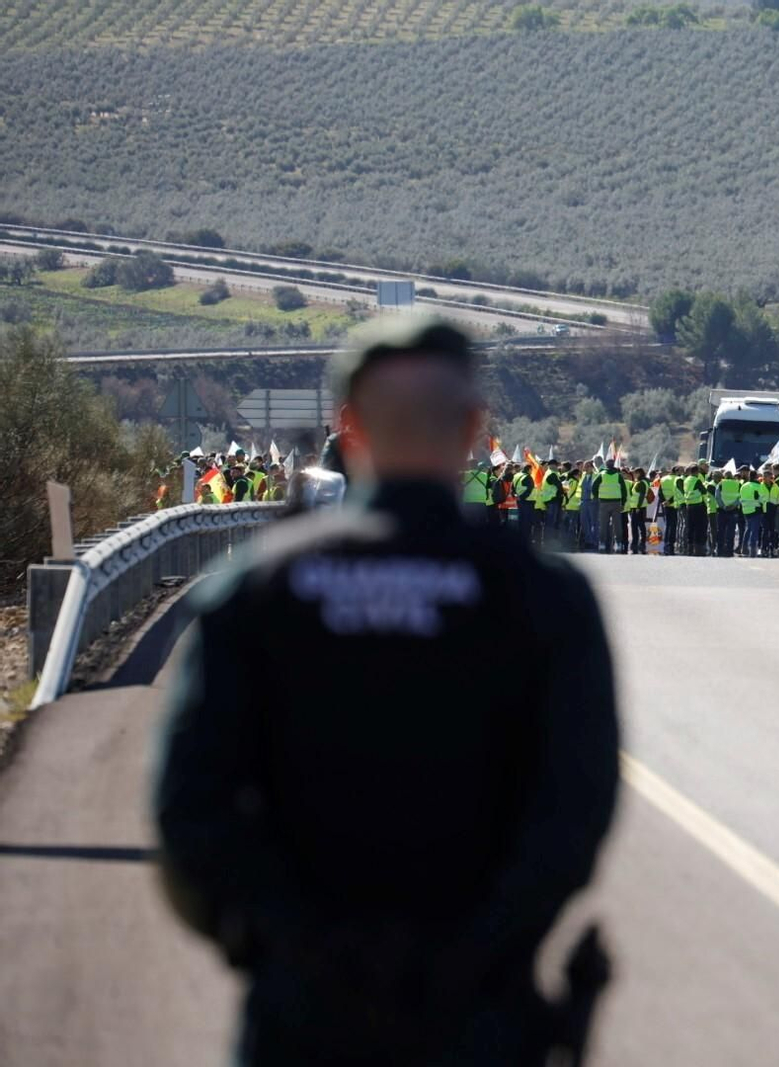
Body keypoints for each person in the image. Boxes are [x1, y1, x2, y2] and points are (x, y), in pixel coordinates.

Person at [154, 315, 619, 1067]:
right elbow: (574, 814)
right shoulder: (541, 596)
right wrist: (477, 946)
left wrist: (287, 942)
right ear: (473, 426)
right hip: (478, 1016)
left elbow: (187, 809)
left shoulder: (260, 588)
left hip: (301, 1016)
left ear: (348, 429)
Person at [593, 459, 626, 554]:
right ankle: (618, 543)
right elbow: (624, 491)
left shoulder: (601, 474)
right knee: (617, 525)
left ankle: (602, 543)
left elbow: (594, 487)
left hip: (603, 502)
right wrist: (623, 503)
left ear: (606, 465)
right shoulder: (618, 476)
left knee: (603, 524)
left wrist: (597, 497)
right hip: (616, 502)